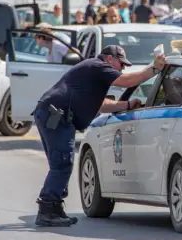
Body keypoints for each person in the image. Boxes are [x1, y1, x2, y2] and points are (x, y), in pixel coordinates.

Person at [33, 45, 166, 227]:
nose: (122, 68)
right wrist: (155, 68)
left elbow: (101, 105)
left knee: (61, 164)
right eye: (121, 63)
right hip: (56, 116)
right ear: (110, 59)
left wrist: (126, 105)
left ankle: (54, 208)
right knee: (62, 164)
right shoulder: (99, 66)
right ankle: (47, 209)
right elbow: (128, 81)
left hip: (52, 114)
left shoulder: (93, 70)